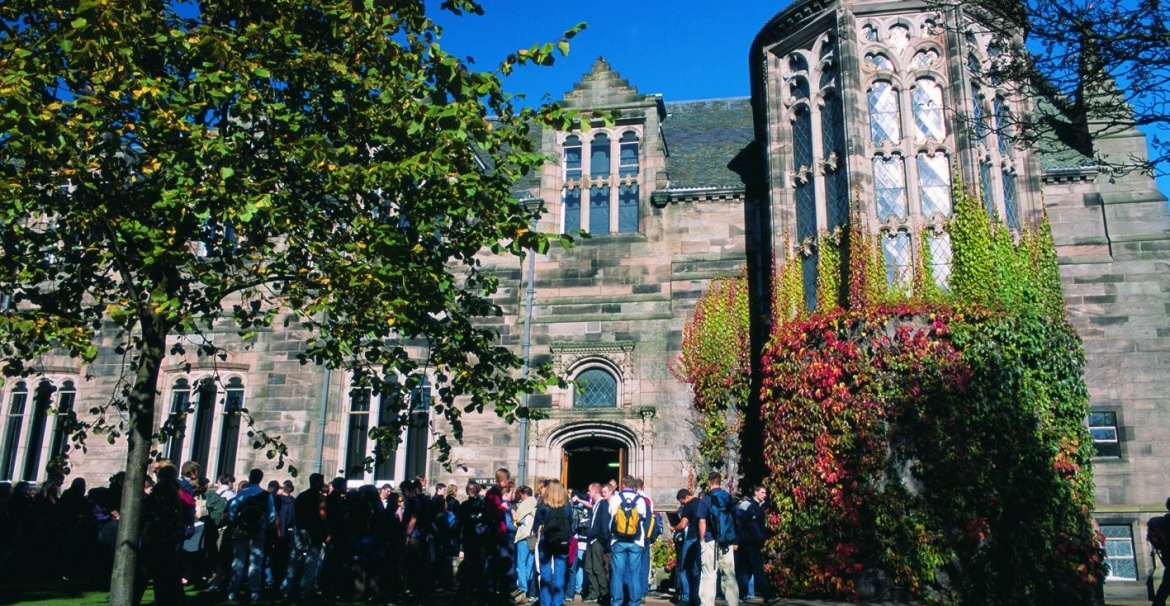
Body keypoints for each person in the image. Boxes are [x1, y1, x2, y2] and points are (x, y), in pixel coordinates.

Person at [227, 468, 276, 602]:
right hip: (259, 529)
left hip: (243, 527)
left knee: (239, 559)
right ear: (260, 479)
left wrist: (234, 521)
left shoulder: (244, 493)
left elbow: (233, 508)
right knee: (256, 560)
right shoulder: (267, 495)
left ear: (250, 477)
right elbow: (271, 515)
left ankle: (233, 591)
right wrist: (267, 526)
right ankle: (255, 591)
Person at [282, 473, 327, 600]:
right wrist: (327, 531)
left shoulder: (302, 496)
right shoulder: (319, 497)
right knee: (311, 562)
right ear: (317, 482)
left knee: (293, 560)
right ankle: (305, 591)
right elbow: (322, 515)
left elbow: (297, 512)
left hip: (301, 530)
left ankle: (285, 588)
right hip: (314, 531)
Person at [697, 472, 738, 606]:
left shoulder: (706, 499)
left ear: (709, 482)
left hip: (710, 539)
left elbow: (702, 521)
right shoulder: (728, 497)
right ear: (720, 482)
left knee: (709, 575)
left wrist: (702, 540)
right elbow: (735, 520)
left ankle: (707, 604)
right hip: (726, 540)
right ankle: (733, 603)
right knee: (729, 574)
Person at [610, 475, 649, 606]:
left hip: (618, 540)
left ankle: (617, 602)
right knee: (635, 573)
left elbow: (611, 515)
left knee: (617, 573)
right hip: (636, 541)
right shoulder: (641, 500)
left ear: (623, 485)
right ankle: (635, 602)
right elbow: (644, 518)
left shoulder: (615, 499)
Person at [536, 480, 574, 606]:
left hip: (546, 539)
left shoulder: (543, 505)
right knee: (560, 573)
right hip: (562, 541)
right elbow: (571, 523)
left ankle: (545, 602)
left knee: (545, 572)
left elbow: (536, 524)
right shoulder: (567, 506)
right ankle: (557, 602)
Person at [736, 485, 770, 602]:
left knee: (745, 570)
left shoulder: (761, 506)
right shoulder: (747, 505)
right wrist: (737, 541)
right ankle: (767, 595)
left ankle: (741, 595)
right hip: (747, 543)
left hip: (755, 543)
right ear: (756, 493)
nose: (764, 495)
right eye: (762, 492)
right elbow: (739, 523)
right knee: (758, 569)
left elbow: (760, 526)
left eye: (765, 493)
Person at [583, 483, 612, 604]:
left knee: (597, 567)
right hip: (591, 540)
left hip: (597, 541)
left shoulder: (603, 504)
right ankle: (594, 592)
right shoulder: (595, 505)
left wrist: (600, 539)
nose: (588, 493)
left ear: (595, 491)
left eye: (589, 491)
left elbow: (604, 524)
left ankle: (604, 592)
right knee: (589, 567)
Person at [673, 488, 700, 606]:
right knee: (697, 569)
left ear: (685, 498)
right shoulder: (701, 502)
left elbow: (683, 524)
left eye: (681, 501)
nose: (681, 504)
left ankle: (686, 598)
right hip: (701, 539)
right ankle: (696, 597)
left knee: (685, 568)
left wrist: (674, 527)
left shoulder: (688, 505)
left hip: (690, 538)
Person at [514, 485, 537, 602]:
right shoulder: (536, 502)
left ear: (523, 494)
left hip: (524, 537)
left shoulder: (525, 503)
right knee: (529, 565)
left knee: (520, 565)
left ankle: (523, 589)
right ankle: (527, 588)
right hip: (533, 537)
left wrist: (514, 512)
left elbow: (517, 518)